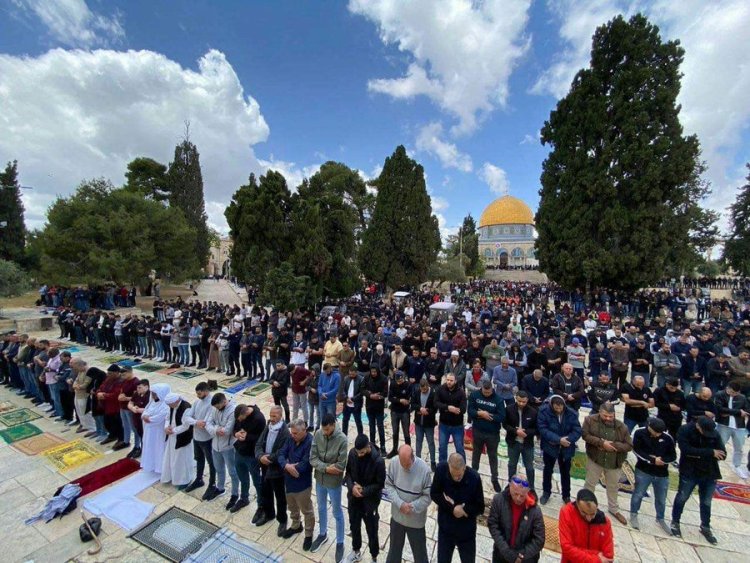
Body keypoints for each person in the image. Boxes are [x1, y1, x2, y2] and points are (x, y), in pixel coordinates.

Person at [670, 416, 726, 544]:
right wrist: (710, 452)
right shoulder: (685, 430)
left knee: (706, 502)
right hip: (690, 471)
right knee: (682, 497)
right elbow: (686, 450)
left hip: (709, 472)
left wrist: (703, 453)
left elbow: (723, 453)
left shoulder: (714, 433)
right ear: (698, 426)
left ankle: (705, 526)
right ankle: (675, 521)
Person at [581, 402, 632, 525]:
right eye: (605, 416)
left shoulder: (622, 427)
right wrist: (601, 443)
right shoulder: (589, 420)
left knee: (613, 486)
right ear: (599, 412)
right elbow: (585, 435)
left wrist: (613, 446)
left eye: (611, 416)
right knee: (590, 484)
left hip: (613, 462)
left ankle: (614, 509)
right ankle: (585, 507)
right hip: (596, 459)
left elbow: (629, 445)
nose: (608, 419)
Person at [430, 453, 485, 563]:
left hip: (466, 532)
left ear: (464, 468)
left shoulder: (474, 478)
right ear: (449, 467)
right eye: (453, 475)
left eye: (459, 475)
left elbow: (480, 507)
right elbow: (434, 493)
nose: (456, 478)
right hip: (446, 529)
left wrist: (464, 510)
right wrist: (452, 508)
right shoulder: (441, 470)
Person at [309, 413, 348, 561]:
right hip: (320, 478)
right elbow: (312, 458)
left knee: (337, 512)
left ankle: (340, 542)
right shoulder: (318, 434)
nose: (324, 432)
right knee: (321, 507)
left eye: (327, 429)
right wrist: (326, 468)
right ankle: (323, 533)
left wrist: (324, 467)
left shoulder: (342, 439)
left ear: (333, 425)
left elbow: (340, 465)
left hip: (333, 483)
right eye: (323, 429)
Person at [385, 445, 432, 563]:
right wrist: (400, 504)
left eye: (407, 465)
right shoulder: (395, 463)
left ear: (413, 457)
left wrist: (413, 507)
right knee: (394, 553)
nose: (404, 468)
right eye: (402, 464)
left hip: (415, 522)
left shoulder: (424, 470)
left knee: (420, 555)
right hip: (397, 518)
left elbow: (428, 496)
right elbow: (389, 486)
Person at [629, 417, 676, 533]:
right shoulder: (639, 433)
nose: (657, 435)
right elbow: (636, 450)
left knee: (661, 498)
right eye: (655, 432)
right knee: (638, 494)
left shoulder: (667, 438)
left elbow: (673, 456)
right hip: (643, 470)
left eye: (659, 433)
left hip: (662, 473)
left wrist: (663, 460)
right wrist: (651, 460)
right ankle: (633, 514)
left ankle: (660, 518)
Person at [344, 434, 386, 563]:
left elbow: (380, 484)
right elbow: (348, 474)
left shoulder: (378, 461)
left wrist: (363, 491)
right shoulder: (352, 454)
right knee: (354, 526)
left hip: (369, 502)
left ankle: (374, 557)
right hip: (354, 499)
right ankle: (356, 551)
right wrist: (352, 488)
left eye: (362, 452)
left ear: (368, 447)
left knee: (372, 531)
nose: (359, 455)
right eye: (358, 453)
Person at [487, 474, 545, 563]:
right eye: (515, 494)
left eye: (522, 496)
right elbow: (493, 525)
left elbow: (539, 539)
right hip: (501, 555)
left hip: (525, 559)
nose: (518, 498)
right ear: (510, 487)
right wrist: (506, 551)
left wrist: (521, 555)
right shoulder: (498, 500)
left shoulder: (535, 510)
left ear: (528, 492)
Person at [538, 395, 582, 504]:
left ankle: (566, 495)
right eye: (556, 408)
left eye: (560, 408)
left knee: (565, 472)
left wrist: (568, 440)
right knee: (548, 470)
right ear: (552, 406)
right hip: (550, 446)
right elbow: (543, 429)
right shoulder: (544, 412)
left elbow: (577, 430)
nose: (558, 410)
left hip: (566, 447)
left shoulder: (571, 413)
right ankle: (546, 492)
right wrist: (558, 439)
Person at [278, 419, 314, 549]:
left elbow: (305, 464)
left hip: (303, 483)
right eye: (291, 433)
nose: (292, 435)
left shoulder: (310, 442)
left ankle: (309, 534)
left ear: (304, 430)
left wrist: (291, 468)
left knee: (307, 510)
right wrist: (287, 465)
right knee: (292, 507)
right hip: (289, 480)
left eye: (295, 433)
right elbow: (281, 454)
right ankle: (296, 526)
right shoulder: (290, 438)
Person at [255, 406, 290, 533]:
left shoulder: (285, 432)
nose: (272, 418)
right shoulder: (268, 425)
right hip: (264, 466)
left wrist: (268, 458)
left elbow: (282, 451)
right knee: (266, 491)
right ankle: (269, 514)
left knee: (280, 496)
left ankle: (282, 520)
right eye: (271, 415)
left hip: (277, 469)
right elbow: (259, 444)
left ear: (280, 416)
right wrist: (260, 456)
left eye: (275, 416)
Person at [468, 378, 506, 492]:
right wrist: (479, 413)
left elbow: (501, 417)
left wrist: (487, 415)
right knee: (476, 454)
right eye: (485, 392)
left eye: (489, 393)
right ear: (481, 389)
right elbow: (470, 411)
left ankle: (494, 479)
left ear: (492, 390)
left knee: (493, 457)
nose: (487, 394)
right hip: (478, 431)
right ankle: (474, 476)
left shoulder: (498, 400)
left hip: (492, 434)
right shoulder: (475, 395)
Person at [559, 489, 614, 563]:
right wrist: (596, 557)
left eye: (592, 514)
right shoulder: (566, 512)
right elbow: (566, 547)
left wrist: (576, 551)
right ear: (577, 505)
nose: (589, 518)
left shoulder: (604, 522)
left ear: (597, 507)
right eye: (584, 513)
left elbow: (608, 557)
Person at [231, 403, 266, 517]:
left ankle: (261, 505)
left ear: (245, 413)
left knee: (257, 481)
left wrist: (247, 436)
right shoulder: (239, 415)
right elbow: (235, 427)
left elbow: (261, 438)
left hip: (252, 455)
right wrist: (236, 433)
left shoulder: (259, 419)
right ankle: (244, 498)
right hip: (240, 451)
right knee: (242, 477)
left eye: (241, 419)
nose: (240, 421)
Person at [205, 393, 239, 506]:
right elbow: (207, 423)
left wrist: (215, 429)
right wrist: (216, 430)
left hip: (228, 447)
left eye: (218, 406)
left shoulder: (233, 411)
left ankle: (235, 494)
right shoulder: (214, 408)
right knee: (219, 469)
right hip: (215, 445)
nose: (216, 409)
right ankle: (220, 488)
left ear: (224, 402)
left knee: (233, 472)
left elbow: (228, 430)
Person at [183, 382, 217, 496]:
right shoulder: (197, 402)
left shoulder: (212, 404)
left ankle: (212, 484)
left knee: (212, 462)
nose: (198, 396)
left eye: (199, 393)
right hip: (196, 436)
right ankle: (199, 479)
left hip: (207, 438)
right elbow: (186, 417)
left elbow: (206, 422)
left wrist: (196, 422)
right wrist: (196, 422)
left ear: (206, 391)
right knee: (199, 459)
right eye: (197, 394)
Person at [503, 390, 538, 491]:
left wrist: (525, 432)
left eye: (524, 402)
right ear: (516, 399)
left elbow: (536, 429)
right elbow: (505, 425)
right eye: (519, 401)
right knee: (512, 465)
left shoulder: (533, 412)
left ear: (527, 401)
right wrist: (515, 431)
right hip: (513, 442)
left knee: (529, 467)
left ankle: (531, 488)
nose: (521, 403)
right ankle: (510, 484)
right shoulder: (509, 409)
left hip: (527, 444)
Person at [714, 381, 749, 478]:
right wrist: (738, 411)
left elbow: (746, 410)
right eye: (733, 392)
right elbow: (720, 409)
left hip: (739, 426)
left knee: (739, 448)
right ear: (728, 388)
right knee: (720, 445)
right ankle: (714, 463)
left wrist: (730, 413)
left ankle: (737, 466)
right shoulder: (720, 395)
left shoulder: (742, 398)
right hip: (723, 424)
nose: (734, 394)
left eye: (736, 393)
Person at [161, 393, 195, 488]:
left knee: (182, 459)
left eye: (170, 404)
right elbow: (168, 417)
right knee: (172, 458)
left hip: (182, 437)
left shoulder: (186, 408)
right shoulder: (172, 405)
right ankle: (173, 476)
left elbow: (186, 425)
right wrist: (166, 427)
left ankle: (184, 480)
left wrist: (173, 431)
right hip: (172, 436)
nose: (169, 406)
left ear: (176, 401)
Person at [435, 373, 467, 463]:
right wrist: (448, 408)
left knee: (460, 449)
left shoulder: (461, 392)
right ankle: (442, 466)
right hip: (444, 424)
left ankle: (462, 467)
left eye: (451, 380)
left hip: (457, 426)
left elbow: (463, 409)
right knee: (442, 448)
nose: (449, 382)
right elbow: (436, 403)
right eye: (447, 380)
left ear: (455, 381)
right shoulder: (440, 389)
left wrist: (455, 410)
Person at [140, 383, 171, 474]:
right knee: (150, 447)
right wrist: (145, 416)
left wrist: (149, 418)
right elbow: (145, 411)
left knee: (158, 448)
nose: (152, 395)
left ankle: (159, 467)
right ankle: (151, 465)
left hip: (158, 432)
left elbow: (160, 417)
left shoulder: (165, 405)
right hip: (149, 431)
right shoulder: (152, 402)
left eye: (154, 393)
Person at [411, 376, 437, 470]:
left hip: (429, 423)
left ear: (428, 386)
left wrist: (428, 411)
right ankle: (418, 460)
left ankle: (433, 462)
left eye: (425, 389)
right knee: (418, 441)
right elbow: (413, 404)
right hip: (418, 422)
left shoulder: (433, 393)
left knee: (430, 442)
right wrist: (419, 409)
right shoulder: (417, 392)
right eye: (422, 389)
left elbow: (435, 407)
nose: (423, 391)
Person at [363, 366, 388, 453]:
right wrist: (370, 395)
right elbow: (362, 389)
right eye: (372, 372)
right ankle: (372, 445)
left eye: (375, 372)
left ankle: (383, 446)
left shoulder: (384, 378)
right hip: (369, 406)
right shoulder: (367, 377)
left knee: (380, 427)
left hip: (379, 406)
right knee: (371, 427)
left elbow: (385, 393)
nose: (373, 373)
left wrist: (378, 396)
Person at [387, 370, 412, 458]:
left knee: (406, 432)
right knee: (395, 431)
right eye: (397, 381)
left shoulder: (408, 385)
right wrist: (399, 400)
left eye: (400, 380)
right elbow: (390, 398)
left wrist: (397, 399)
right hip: (394, 411)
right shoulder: (393, 384)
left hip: (404, 412)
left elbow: (408, 399)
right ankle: (394, 449)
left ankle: (409, 450)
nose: (399, 382)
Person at [115, 365, 140, 452]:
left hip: (130, 408)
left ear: (130, 372)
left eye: (124, 374)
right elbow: (122, 391)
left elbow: (137, 397)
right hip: (123, 406)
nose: (122, 376)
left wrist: (126, 398)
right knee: (125, 425)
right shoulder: (124, 381)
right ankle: (126, 441)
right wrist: (120, 396)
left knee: (134, 427)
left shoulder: (136, 382)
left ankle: (137, 446)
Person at [338, 366, 364, 437]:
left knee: (358, 422)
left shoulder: (361, 379)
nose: (351, 376)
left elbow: (361, 393)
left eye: (352, 374)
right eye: (350, 374)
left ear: (356, 372)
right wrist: (346, 398)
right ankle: (344, 436)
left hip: (356, 405)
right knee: (345, 420)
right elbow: (343, 390)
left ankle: (360, 437)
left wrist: (352, 399)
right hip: (346, 404)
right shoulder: (346, 378)